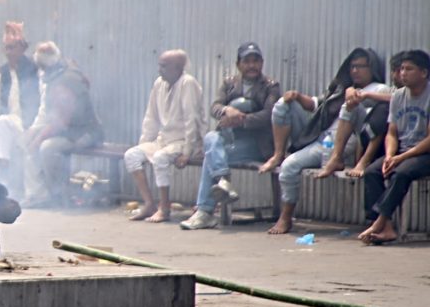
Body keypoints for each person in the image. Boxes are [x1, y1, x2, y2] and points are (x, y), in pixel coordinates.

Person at [263, 48, 385, 234]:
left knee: (289, 167)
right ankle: (278, 153)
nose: (355, 70)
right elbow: (317, 105)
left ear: (372, 68)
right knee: (282, 104)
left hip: (347, 142)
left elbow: (394, 101)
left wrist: (360, 95)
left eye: (361, 66)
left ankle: (285, 218)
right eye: (352, 66)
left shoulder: (378, 88)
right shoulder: (341, 89)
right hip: (319, 137)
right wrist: (296, 96)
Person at [181, 42, 281, 230]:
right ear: (238, 64)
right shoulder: (229, 83)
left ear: (262, 63)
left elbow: (269, 115)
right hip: (230, 140)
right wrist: (227, 110)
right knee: (211, 138)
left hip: (256, 144)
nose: (252, 66)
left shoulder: (271, 86)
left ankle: (205, 212)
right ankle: (222, 181)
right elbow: (215, 107)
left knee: (211, 154)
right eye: (247, 61)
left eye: (256, 61)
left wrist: (241, 119)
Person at [357, 50, 430, 245]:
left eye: (409, 69)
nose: (403, 73)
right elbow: (391, 132)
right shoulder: (398, 96)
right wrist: (390, 155)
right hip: (402, 151)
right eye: (401, 69)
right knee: (373, 171)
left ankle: (379, 222)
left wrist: (401, 158)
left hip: (424, 153)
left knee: (401, 173)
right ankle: (386, 227)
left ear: (423, 73)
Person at [123, 49, 205, 222]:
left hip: (184, 142)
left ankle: (164, 208)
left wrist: (188, 152)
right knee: (132, 155)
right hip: (164, 140)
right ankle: (149, 204)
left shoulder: (188, 83)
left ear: (178, 68)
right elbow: (150, 117)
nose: (159, 69)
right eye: (160, 65)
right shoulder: (159, 83)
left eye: (164, 66)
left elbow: (192, 119)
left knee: (160, 158)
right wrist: (144, 144)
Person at [23, 41, 104, 208]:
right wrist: (33, 133)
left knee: (47, 147)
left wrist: (38, 140)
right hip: (68, 130)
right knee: (28, 138)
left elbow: (61, 122)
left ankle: (58, 196)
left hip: (84, 133)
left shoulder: (65, 80)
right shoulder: (59, 73)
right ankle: (37, 193)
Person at [0, 21, 41, 200]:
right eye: (6, 48)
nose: (8, 52)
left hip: (31, 125)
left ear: (22, 48)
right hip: (12, 126)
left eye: (12, 48)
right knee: (0, 124)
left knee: (2, 124)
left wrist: (34, 128)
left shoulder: (34, 70)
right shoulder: (3, 72)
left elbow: (44, 103)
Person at [315, 51, 399, 179]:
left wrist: (366, 95)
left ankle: (363, 161)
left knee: (382, 110)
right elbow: (316, 103)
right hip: (363, 135)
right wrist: (351, 91)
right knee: (350, 105)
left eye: (360, 67)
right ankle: (336, 157)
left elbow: (396, 99)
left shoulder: (381, 88)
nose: (399, 74)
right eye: (396, 70)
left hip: (385, 141)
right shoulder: (346, 90)